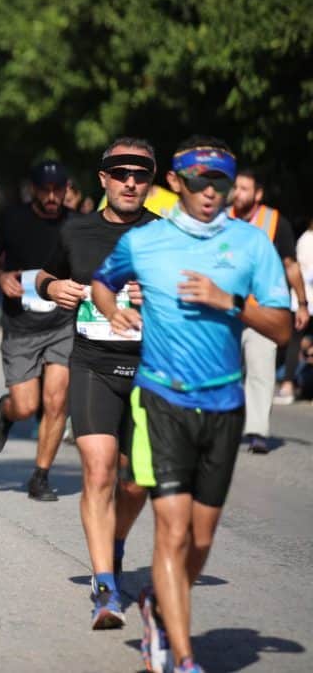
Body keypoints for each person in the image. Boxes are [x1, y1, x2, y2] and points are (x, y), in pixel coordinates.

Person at [91, 136, 291, 673]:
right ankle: (183, 658)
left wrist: (229, 302)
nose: (211, 192)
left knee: (199, 540)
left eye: (221, 182)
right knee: (173, 531)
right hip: (162, 400)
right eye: (200, 182)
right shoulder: (146, 242)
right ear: (175, 183)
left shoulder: (252, 245)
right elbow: (101, 283)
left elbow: (284, 326)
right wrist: (114, 310)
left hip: (224, 408)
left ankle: (157, 599)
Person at [35, 138, 157, 629]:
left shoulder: (166, 236)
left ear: (151, 181)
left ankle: (117, 541)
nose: (131, 181)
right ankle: (105, 586)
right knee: (100, 469)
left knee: (135, 485)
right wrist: (52, 287)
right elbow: (44, 277)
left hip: (152, 369)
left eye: (141, 173)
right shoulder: (77, 231)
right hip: (93, 364)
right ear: (102, 179)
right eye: (119, 172)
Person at [0, 160, 75, 501]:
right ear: (34, 189)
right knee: (25, 405)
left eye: (58, 189)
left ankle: (41, 475)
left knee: (57, 398)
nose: (52, 196)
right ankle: (7, 411)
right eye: (45, 189)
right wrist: (0, 277)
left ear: (66, 190)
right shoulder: (12, 218)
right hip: (21, 324)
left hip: (63, 323)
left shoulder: (76, 225)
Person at [227, 170, 309, 447]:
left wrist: (301, 304)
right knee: (223, 370)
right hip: (226, 310)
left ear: (257, 194)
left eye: (244, 188)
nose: (237, 193)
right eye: (235, 187)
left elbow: (290, 265)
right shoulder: (220, 219)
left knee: (261, 371)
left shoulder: (276, 223)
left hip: (263, 311)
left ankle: (257, 431)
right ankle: (218, 427)